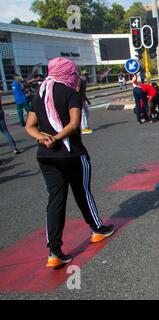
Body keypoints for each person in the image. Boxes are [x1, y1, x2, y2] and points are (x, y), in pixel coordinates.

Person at [25, 57, 115, 268]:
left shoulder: (40, 93)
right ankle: (97, 229)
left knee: (55, 201)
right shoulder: (70, 93)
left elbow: (29, 126)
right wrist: (56, 138)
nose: (75, 76)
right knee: (82, 192)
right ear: (68, 73)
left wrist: (42, 138)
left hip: (46, 156)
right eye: (73, 73)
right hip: (72, 154)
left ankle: (54, 252)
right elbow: (74, 124)